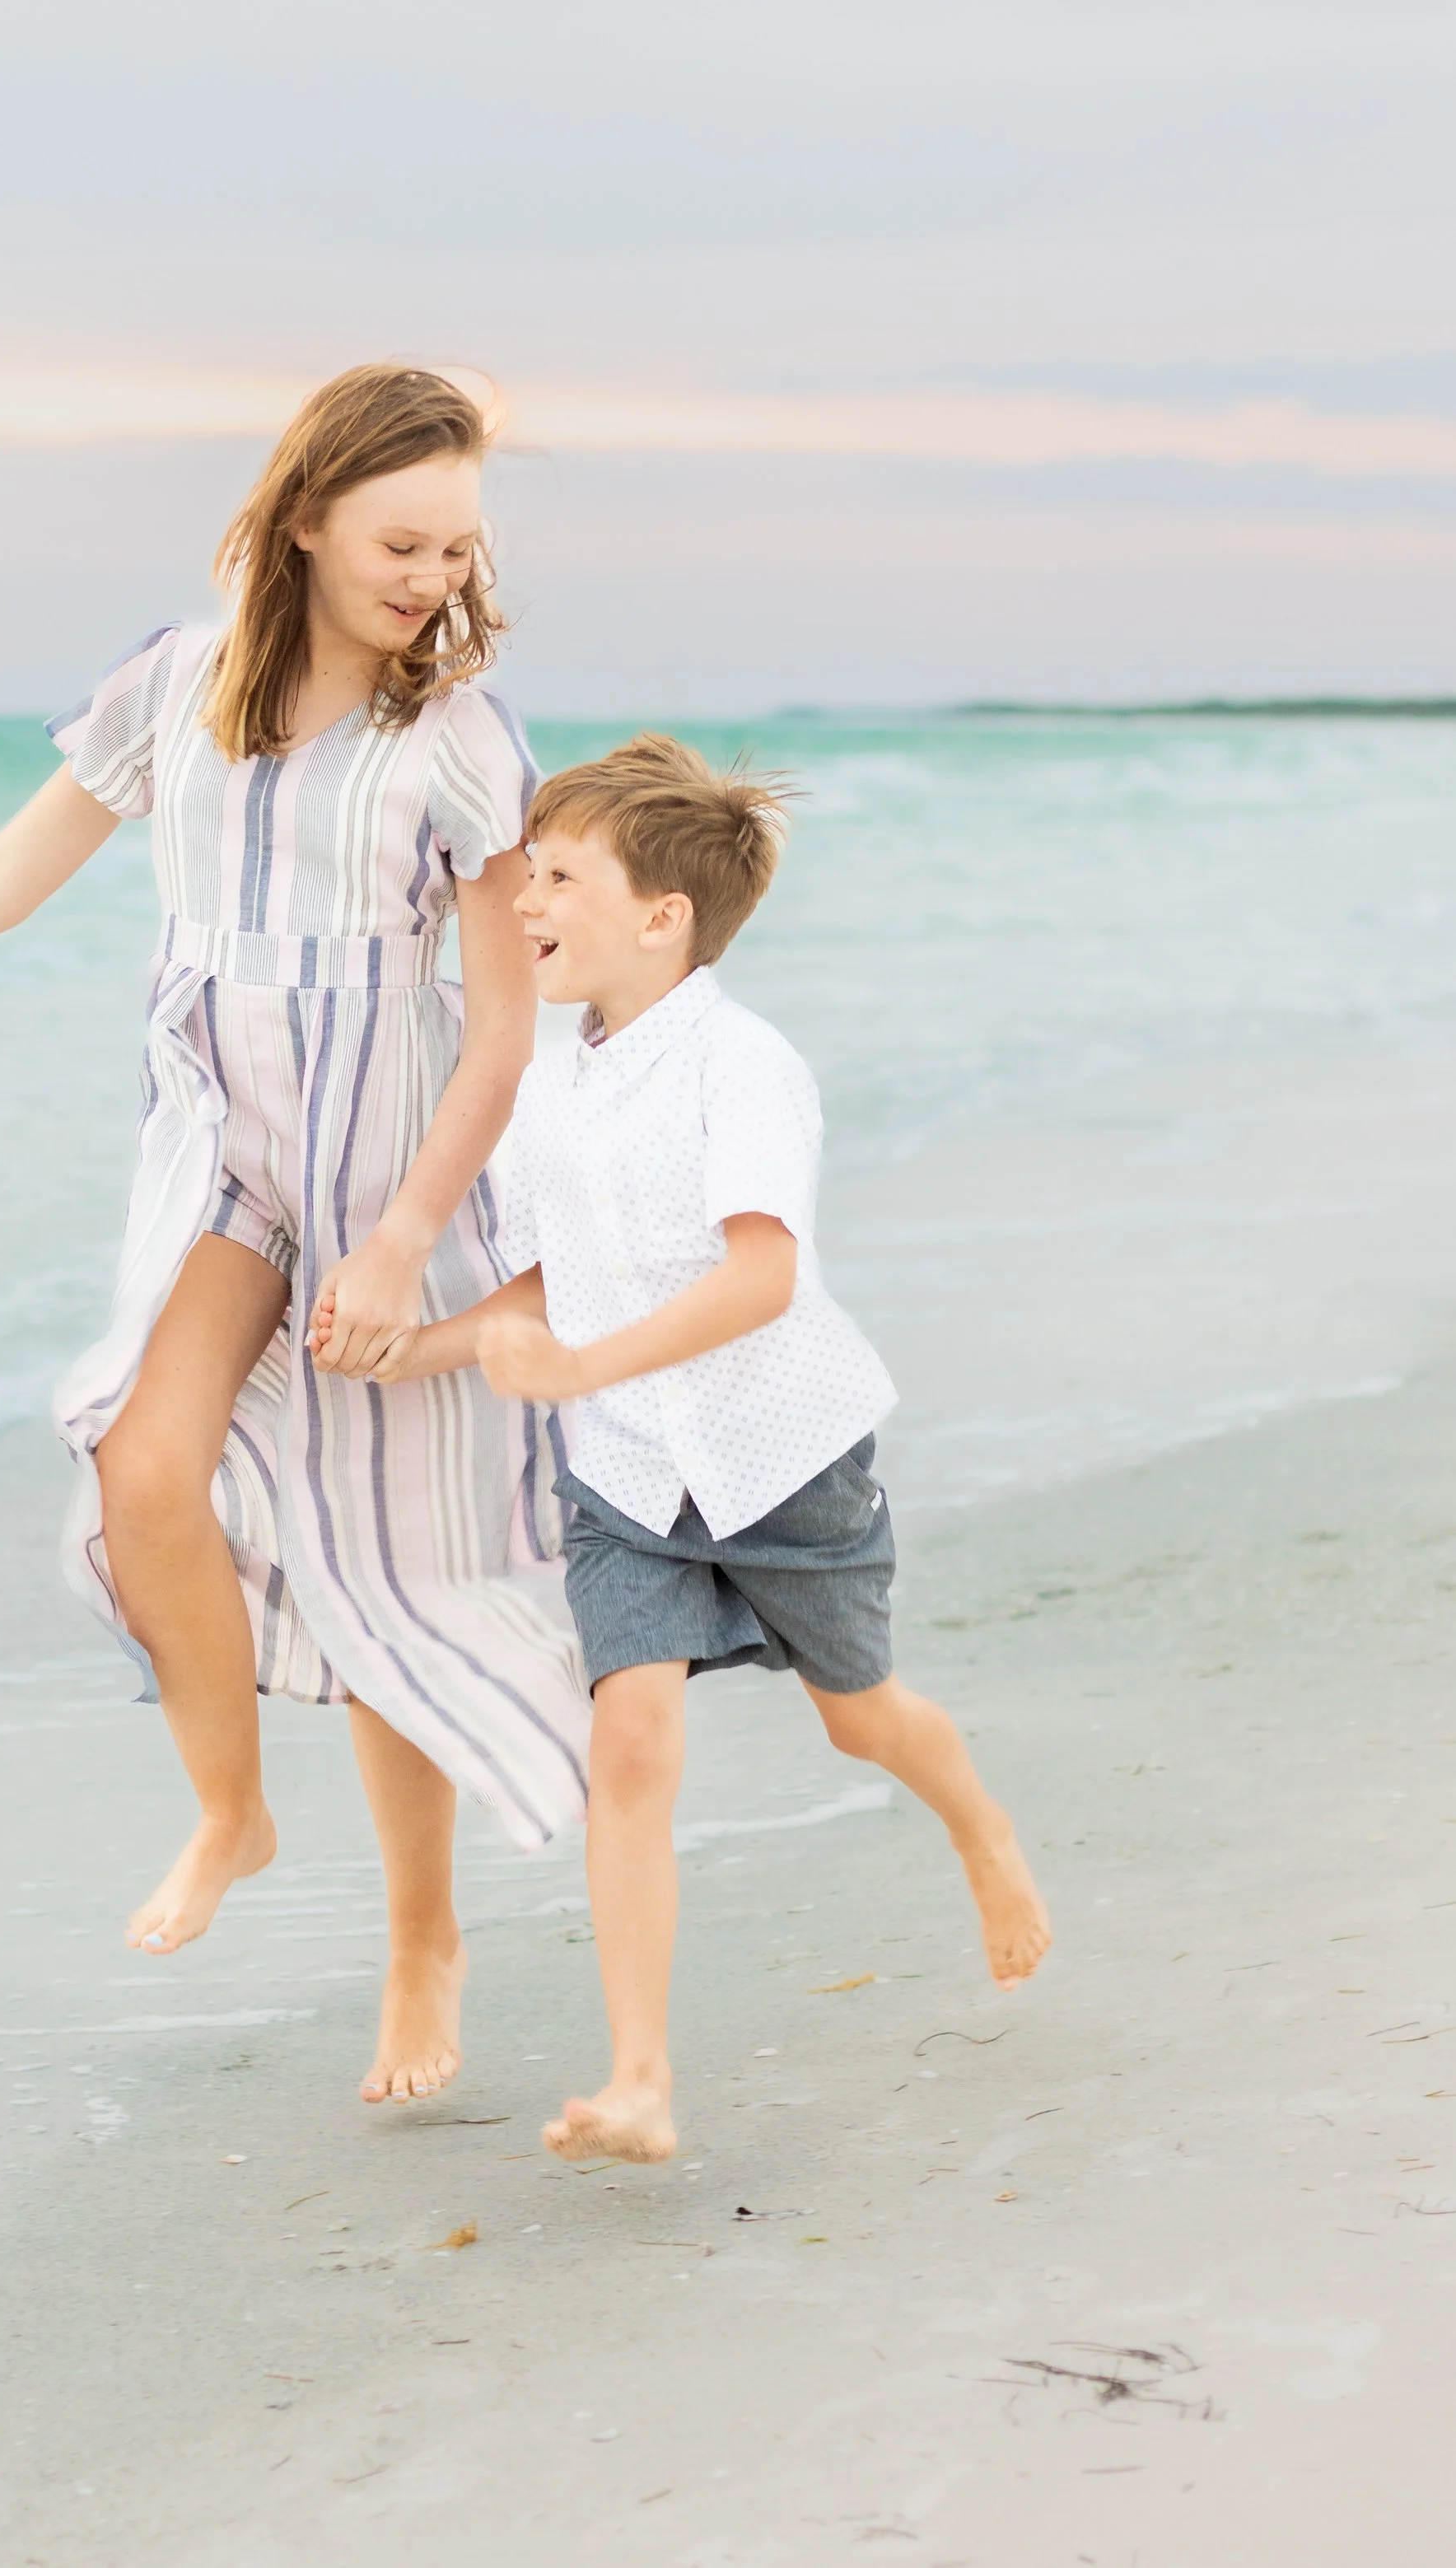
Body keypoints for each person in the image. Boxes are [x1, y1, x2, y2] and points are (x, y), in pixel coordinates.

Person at [0, 365, 590, 2106]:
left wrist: (399, 1245)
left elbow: (508, 1029)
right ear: (302, 513)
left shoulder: (459, 740)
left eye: (455, 548)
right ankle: (228, 1813)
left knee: (381, 1566)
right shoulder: (177, 686)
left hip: (393, 1161)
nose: (431, 577)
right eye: (399, 540)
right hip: (220, 1138)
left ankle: (420, 1946)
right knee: (146, 1466)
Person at [348, 733, 1049, 2161]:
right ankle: (642, 2078)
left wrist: (580, 1364)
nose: (522, 896)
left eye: (557, 875)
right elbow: (548, 1289)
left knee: (862, 1714)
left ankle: (980, 1828)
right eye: (523, 869)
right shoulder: (544, 1087)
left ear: (661, 916)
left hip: (781, 1447)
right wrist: (415, 1347)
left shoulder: (746, 1065)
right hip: (621, 1473)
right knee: (633, 1736)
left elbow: (758, 1279)